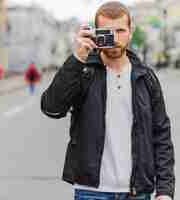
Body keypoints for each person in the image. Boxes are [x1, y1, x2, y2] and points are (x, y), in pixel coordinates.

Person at [41, 2, 174, 200]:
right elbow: (52, 108)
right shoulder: (84, 72)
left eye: (120, 30)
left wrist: (165, 191)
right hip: (91, 191)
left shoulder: (146, 78)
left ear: (130, 31)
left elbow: (161, 134)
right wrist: (77, 57)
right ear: (96, 33)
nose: (115, 38)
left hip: (137, 191)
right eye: (107, 32)